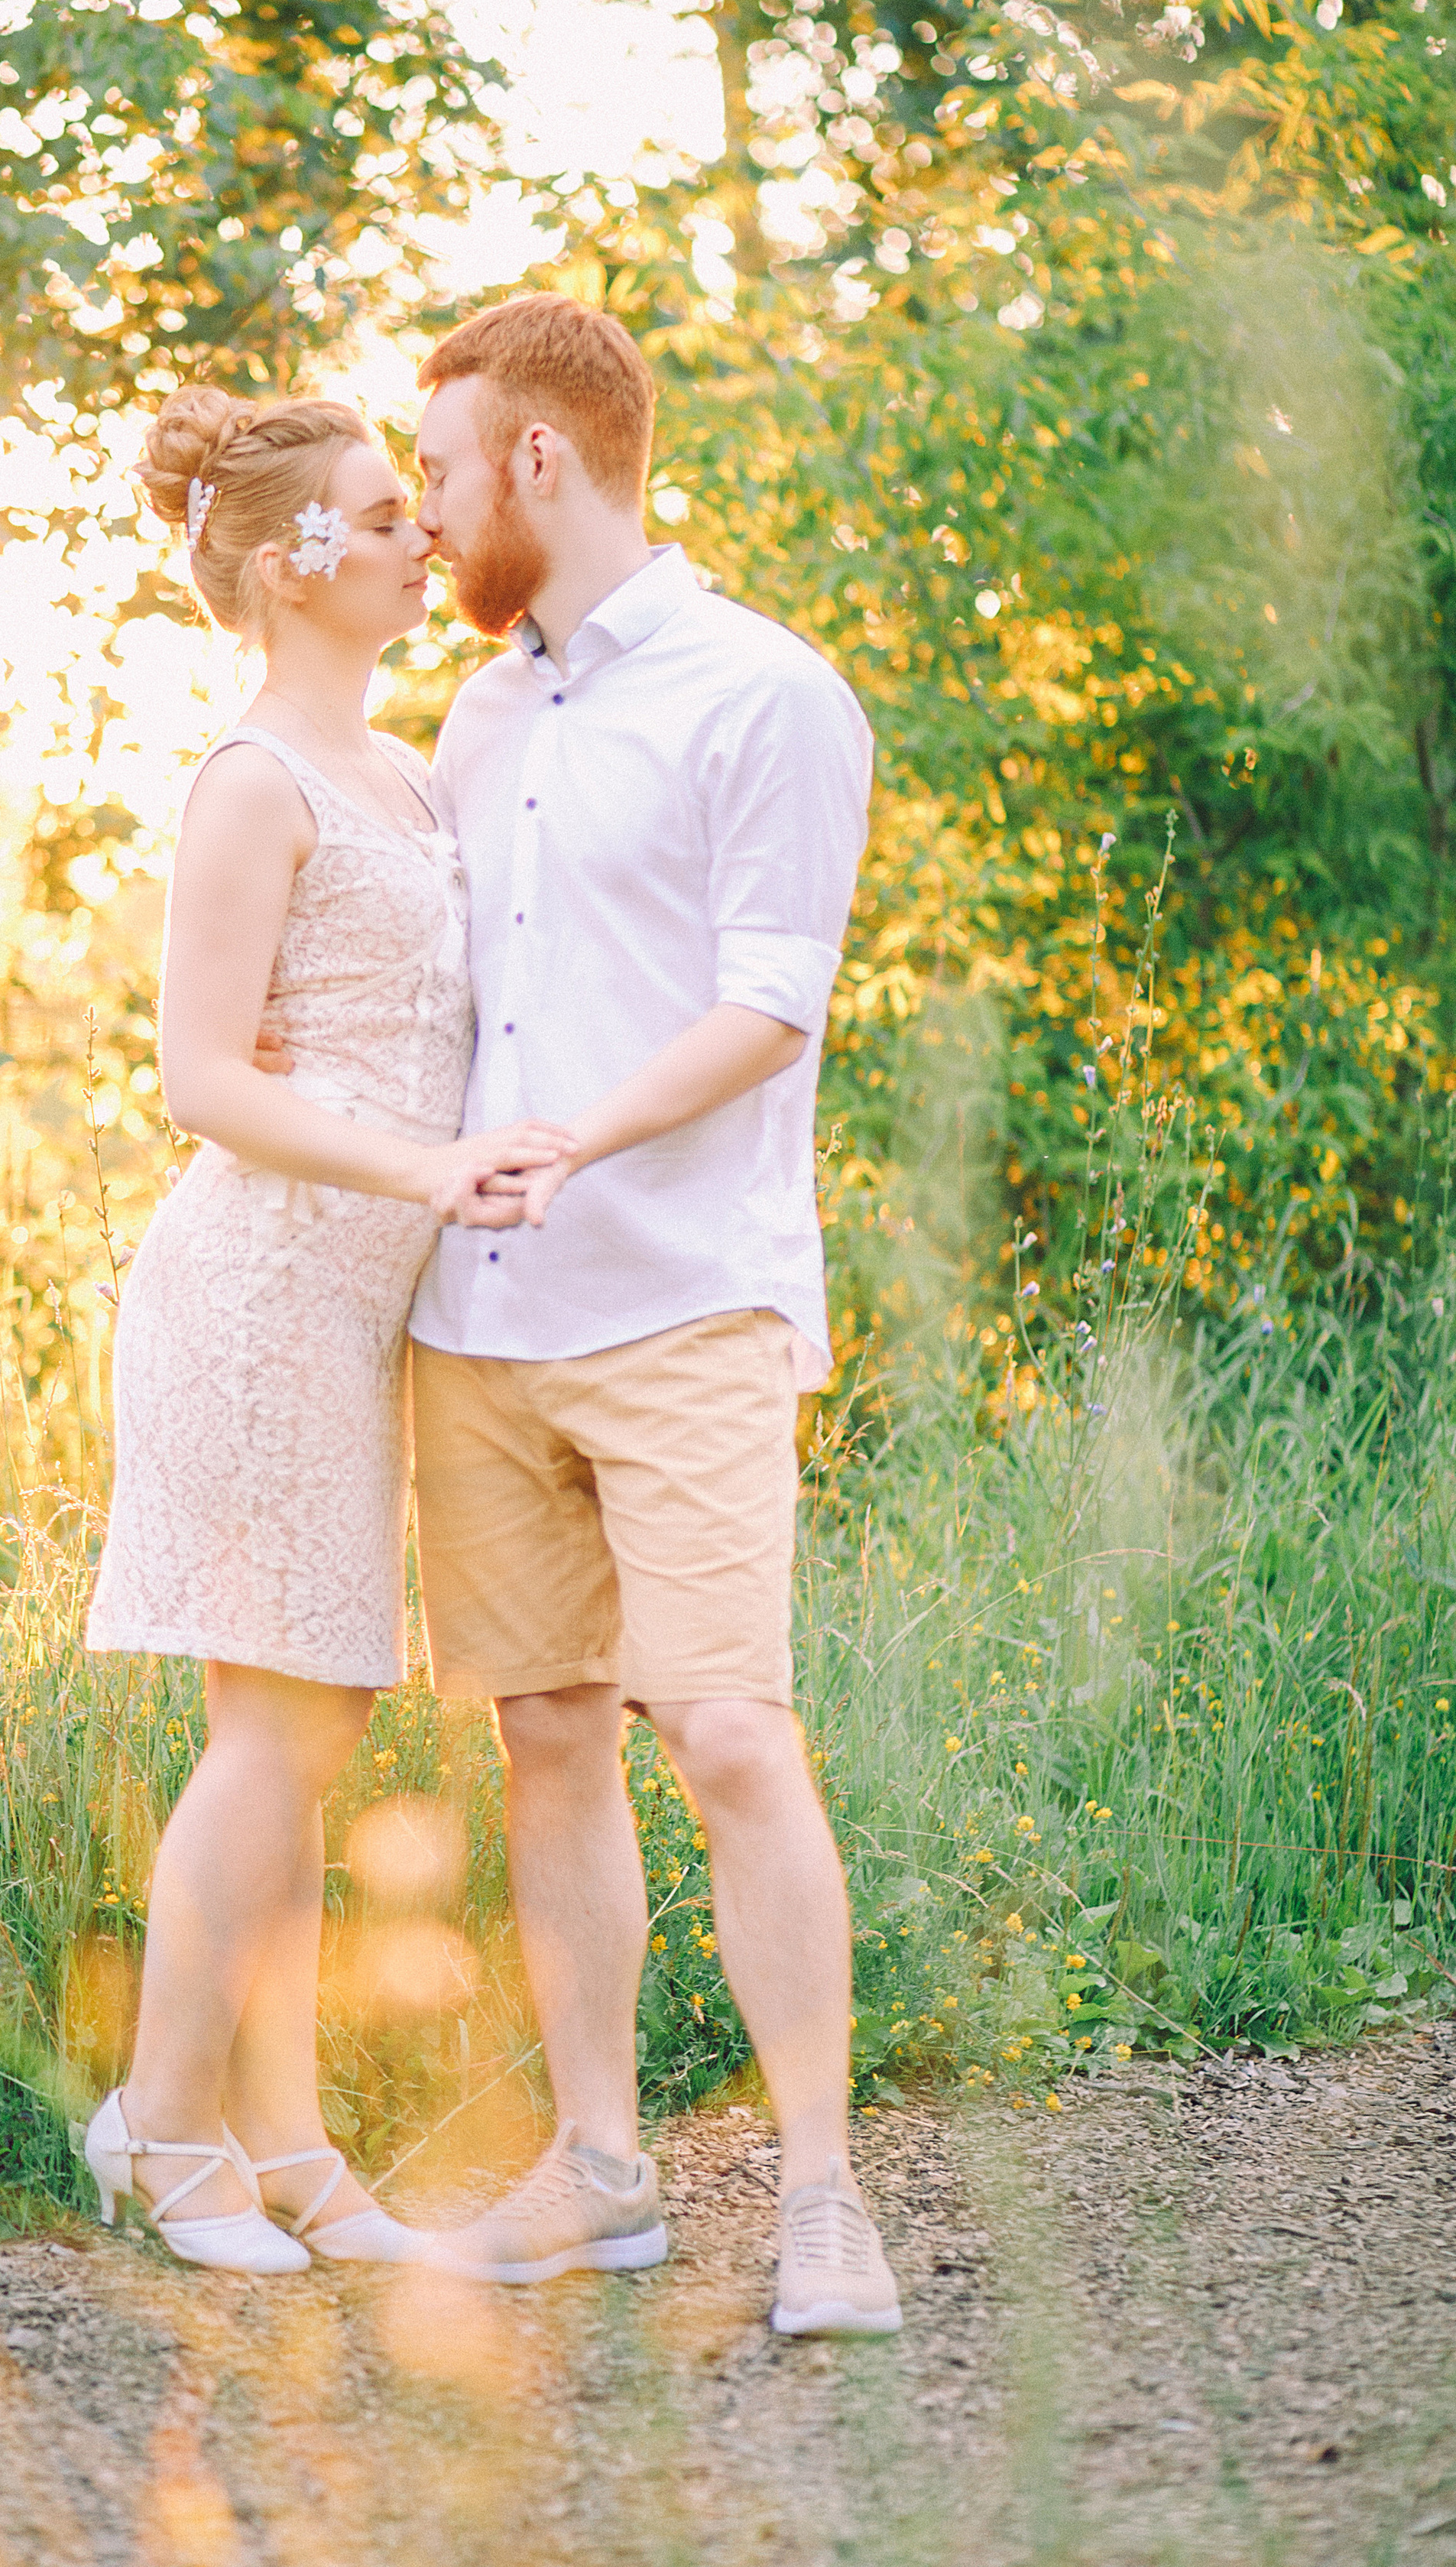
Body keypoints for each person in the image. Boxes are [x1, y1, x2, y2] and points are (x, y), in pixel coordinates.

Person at [400, 293, 903, 2337]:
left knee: (728, 1733)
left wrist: (577, 1138)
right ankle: (601, 2171)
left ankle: (821, 2201)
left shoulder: (762, 694)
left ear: (540, 457)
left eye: (439, 471)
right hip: (481, 1315)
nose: (425, 519)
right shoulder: (480, 720)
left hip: (684, 1303)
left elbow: (772, 1001)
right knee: (545, 1735)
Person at [81, 387, 572, 2271]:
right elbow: (203, 1076)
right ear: (293, 566)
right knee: (274, 1734)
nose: (418, 537)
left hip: (361, 1306)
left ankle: (286, 2147)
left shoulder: (412, 778)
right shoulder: (249, 783)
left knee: (304, 1719)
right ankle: (161, 2128)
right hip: (263, 1285)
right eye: (382, 517)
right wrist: (425, 1169)